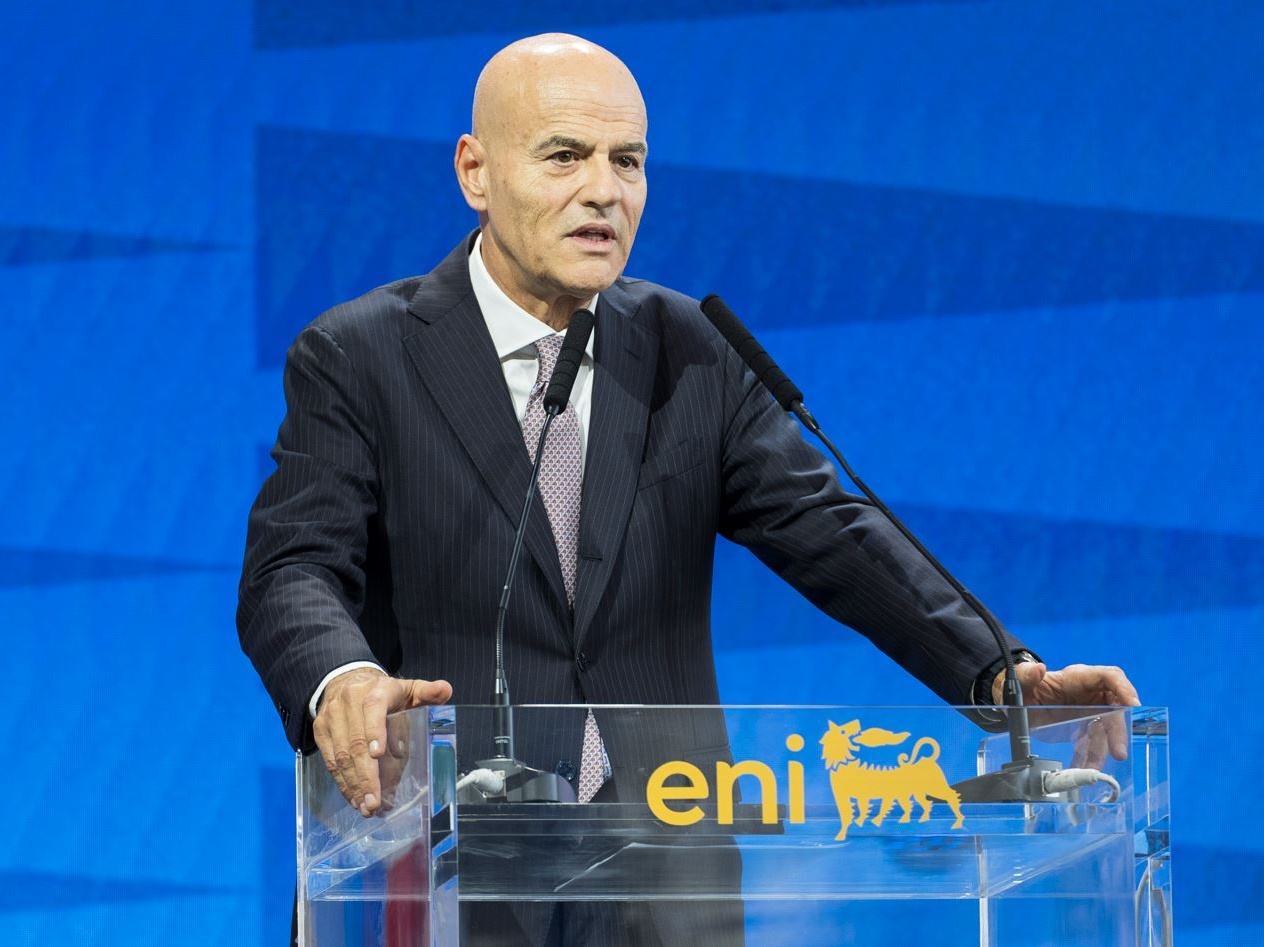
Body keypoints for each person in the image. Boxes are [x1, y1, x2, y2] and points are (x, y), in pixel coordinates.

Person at [237, 33, 1140, 945]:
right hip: (447, 864)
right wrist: (343, 679)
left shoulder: (691, 349)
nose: (605, 190)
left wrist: (1000, 673)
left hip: (665, 876)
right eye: (565, 156)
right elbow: (291, 569)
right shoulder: (362, 353)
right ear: (476, 170)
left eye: (627, 161)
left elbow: (831, 528)